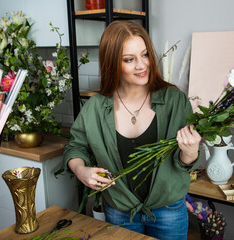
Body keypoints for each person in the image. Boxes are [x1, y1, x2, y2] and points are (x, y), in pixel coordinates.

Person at [63, 20, 201, 240]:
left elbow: (185, 163)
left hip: (169, 212)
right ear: (112, 63)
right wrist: (81, 170)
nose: (142, 65)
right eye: (129, 59)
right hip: (119, 211)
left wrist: (191, 151)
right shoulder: (96, 107)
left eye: (145, 55)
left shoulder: (175, 100)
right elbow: (75, 147)